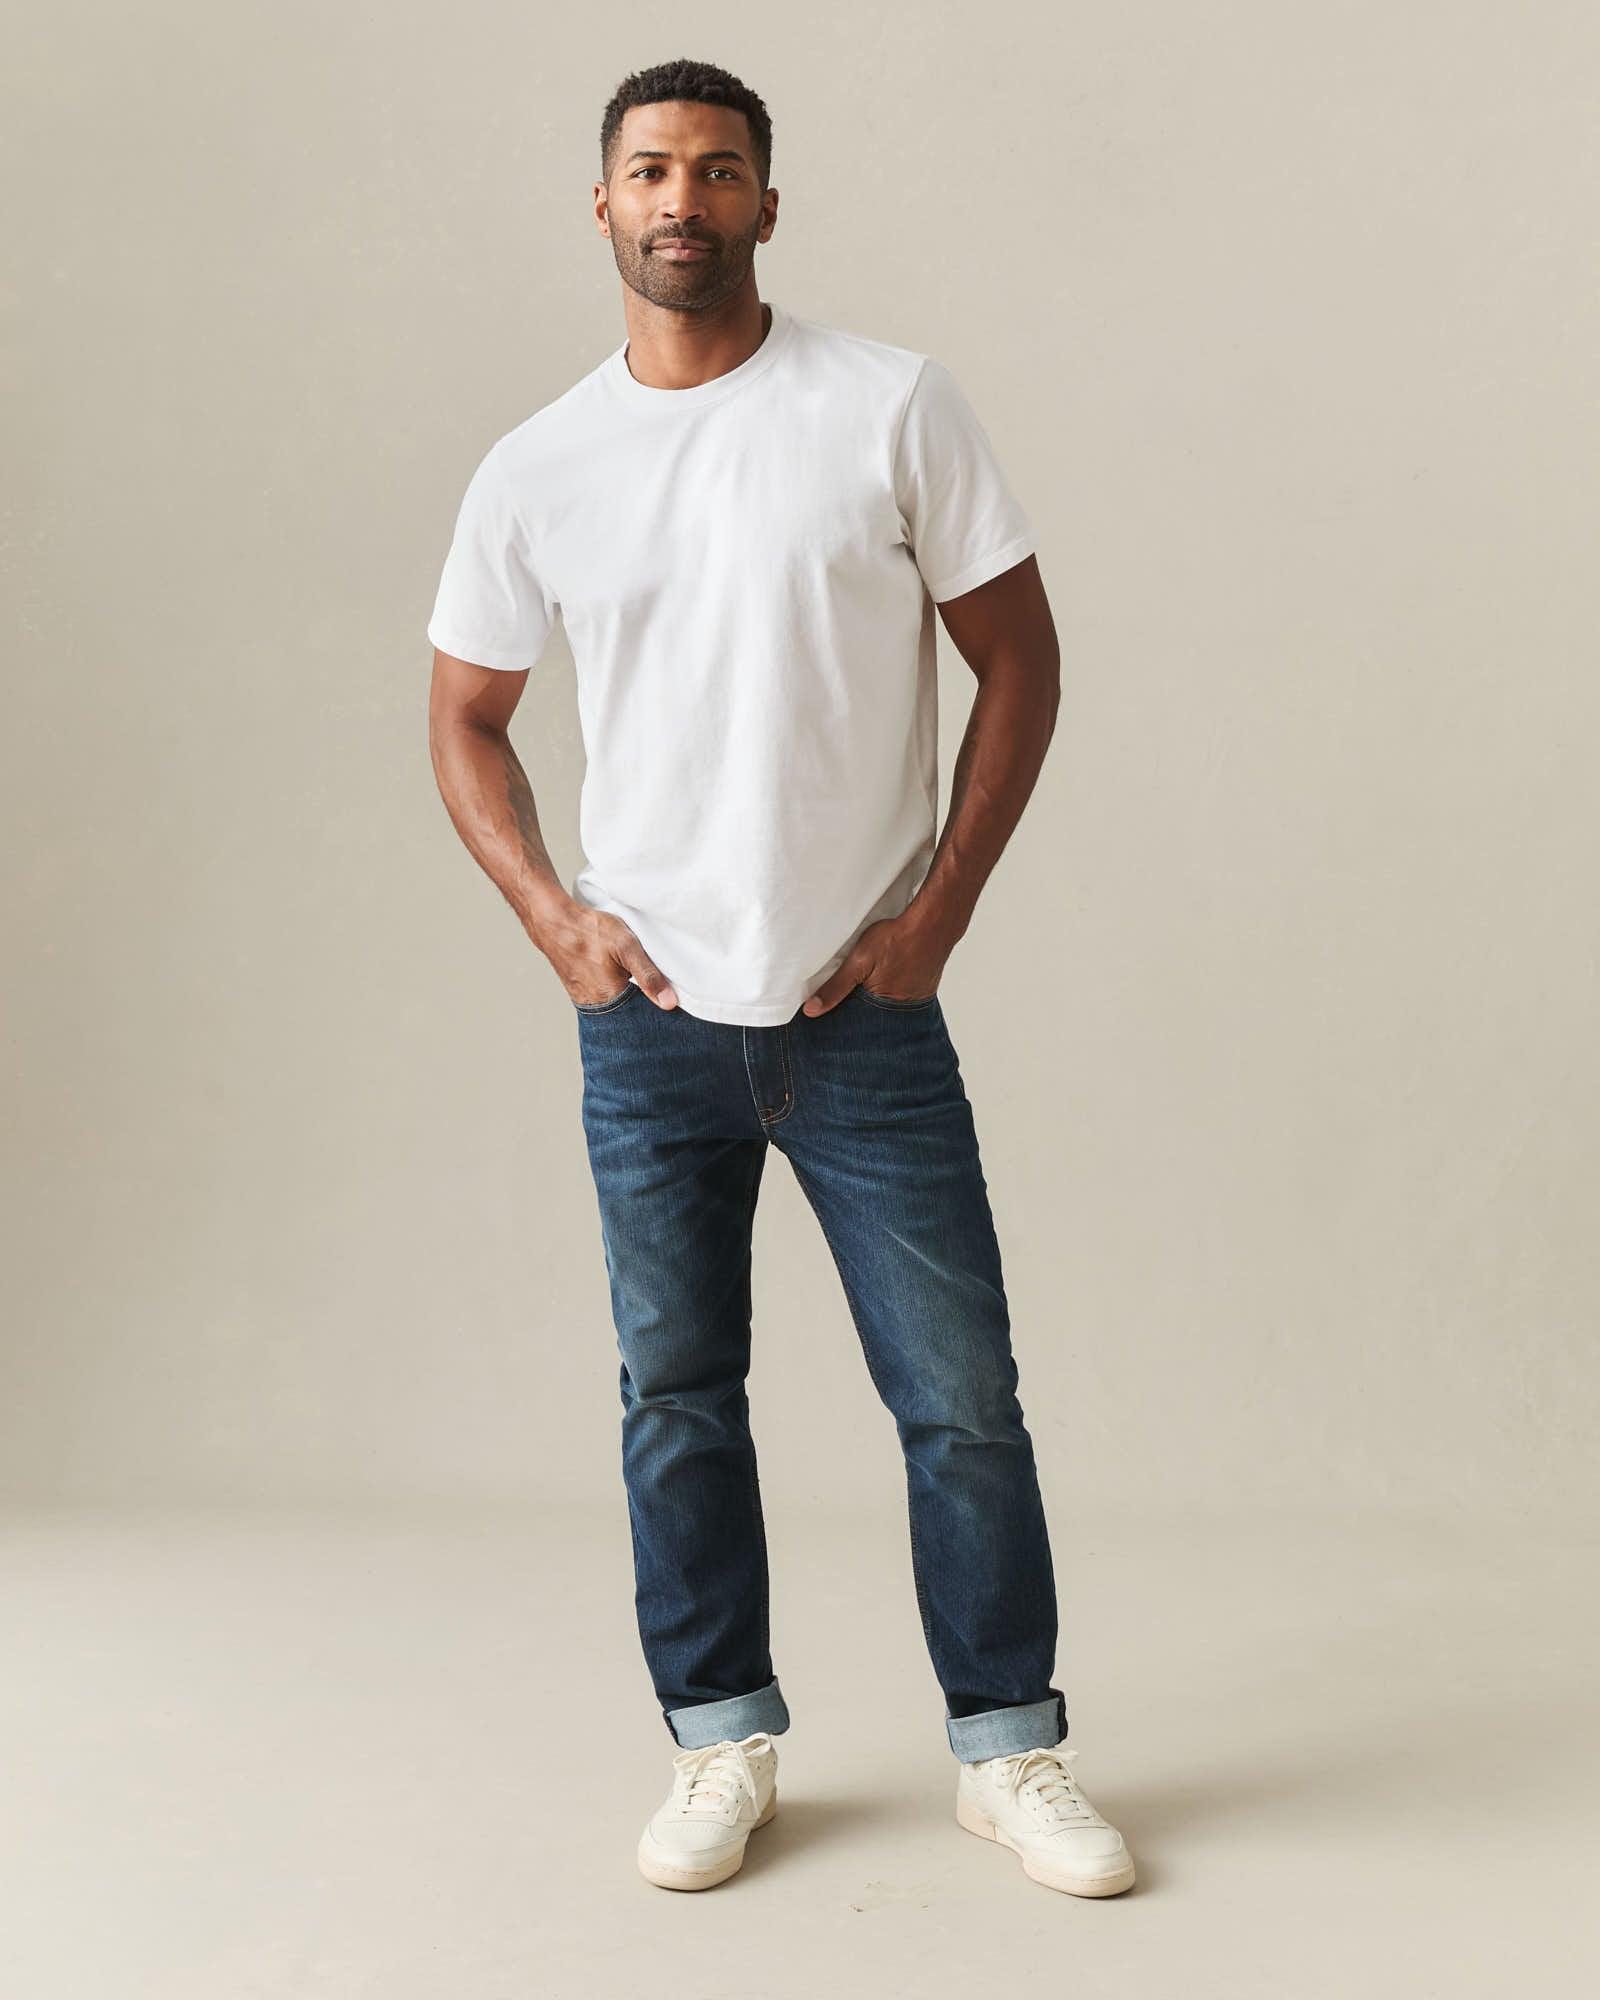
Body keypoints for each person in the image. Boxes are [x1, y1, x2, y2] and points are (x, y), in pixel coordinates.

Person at [425, 57, 1135, 1900]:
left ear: (765, 203)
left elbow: (1024, 659)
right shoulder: (541, 464)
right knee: (678, 1396)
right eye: (653, 169)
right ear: (604, 205)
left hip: (861, 1015)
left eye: (720, 169)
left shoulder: (888, 405)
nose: (685, 199)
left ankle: (1010, 1750)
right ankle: (719, 1739)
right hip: (651, 1025)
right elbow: (464, 716)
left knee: (960, 1397)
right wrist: (556, 921)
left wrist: (940, 912)